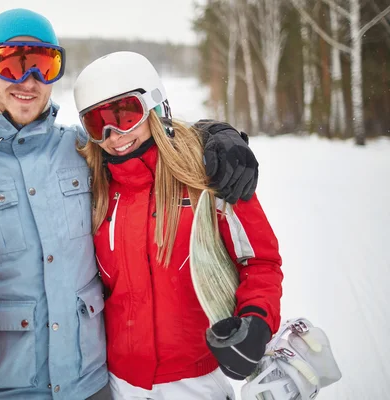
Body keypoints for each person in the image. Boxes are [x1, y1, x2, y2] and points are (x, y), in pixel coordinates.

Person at [0, 9, 260, 400]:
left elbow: (146, 141)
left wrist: (215, 135)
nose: (29, 80)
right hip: (0, 387)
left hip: (90, 385)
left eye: (43, 64)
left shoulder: (81, 148)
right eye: (12, 63)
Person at [73, 51, 283, 400]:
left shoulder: (210, 174)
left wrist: (256, 321)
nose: (114, 134)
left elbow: (260, 261)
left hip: (196, 384)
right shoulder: (93, 186)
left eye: (124, 115)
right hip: (118, 385)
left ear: (154, 106)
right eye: (97, 124)